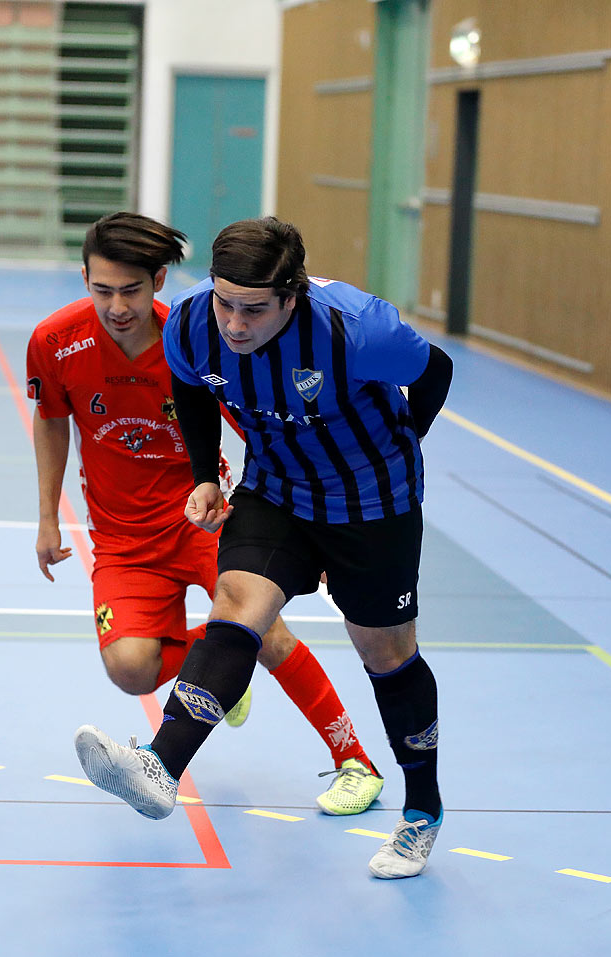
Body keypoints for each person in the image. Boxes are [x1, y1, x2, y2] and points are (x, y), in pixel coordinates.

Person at [74, 216, 454, 879]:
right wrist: (201, 475)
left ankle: (422, 809)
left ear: (292, 295)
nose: (235, 323)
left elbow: (436, 372)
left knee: (386, 653)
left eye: (254, 309)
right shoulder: (193, 324)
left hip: (373, 502)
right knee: (237, 604)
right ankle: (160, 769)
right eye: (225, 301)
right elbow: (190, 387)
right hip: (276, 490)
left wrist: (395, 449)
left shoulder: (355, 329)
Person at [29, 212, 385, 816]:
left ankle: (357, 762)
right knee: (132, 670)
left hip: (204, 516)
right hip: (121, 537)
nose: (117, 306)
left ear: (160, 281)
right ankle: (219, 672)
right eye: (102, 290)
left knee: (261, 629)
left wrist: (307, 526)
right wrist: (46, 516)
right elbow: (52, 419)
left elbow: (266, 428)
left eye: (132, 291)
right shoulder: (55, 341)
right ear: (83, 278)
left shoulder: (196, 335)